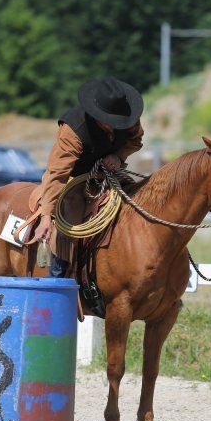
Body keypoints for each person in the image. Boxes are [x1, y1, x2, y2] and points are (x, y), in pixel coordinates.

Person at [27, 77, 145, 279]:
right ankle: (59, 271)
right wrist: (46, 216)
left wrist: (118, 156)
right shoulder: (73, 129)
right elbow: (58, 172)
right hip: (74, 176)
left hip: (107, 175)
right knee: (71, 209)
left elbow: (135, 140)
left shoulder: (128, 117)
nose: (117, 125)